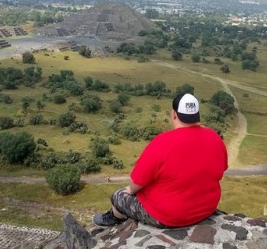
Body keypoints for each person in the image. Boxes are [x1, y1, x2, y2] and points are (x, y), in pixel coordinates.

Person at [94, 93, 228, 228]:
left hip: (170, 216)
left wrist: (129, 190)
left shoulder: (162, 142)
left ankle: (116, 217)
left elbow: (136, 182)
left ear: (174, 114)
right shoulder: (214, 137)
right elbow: (221, 169)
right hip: (206, 208)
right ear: (197, 114)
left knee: (118, 196)